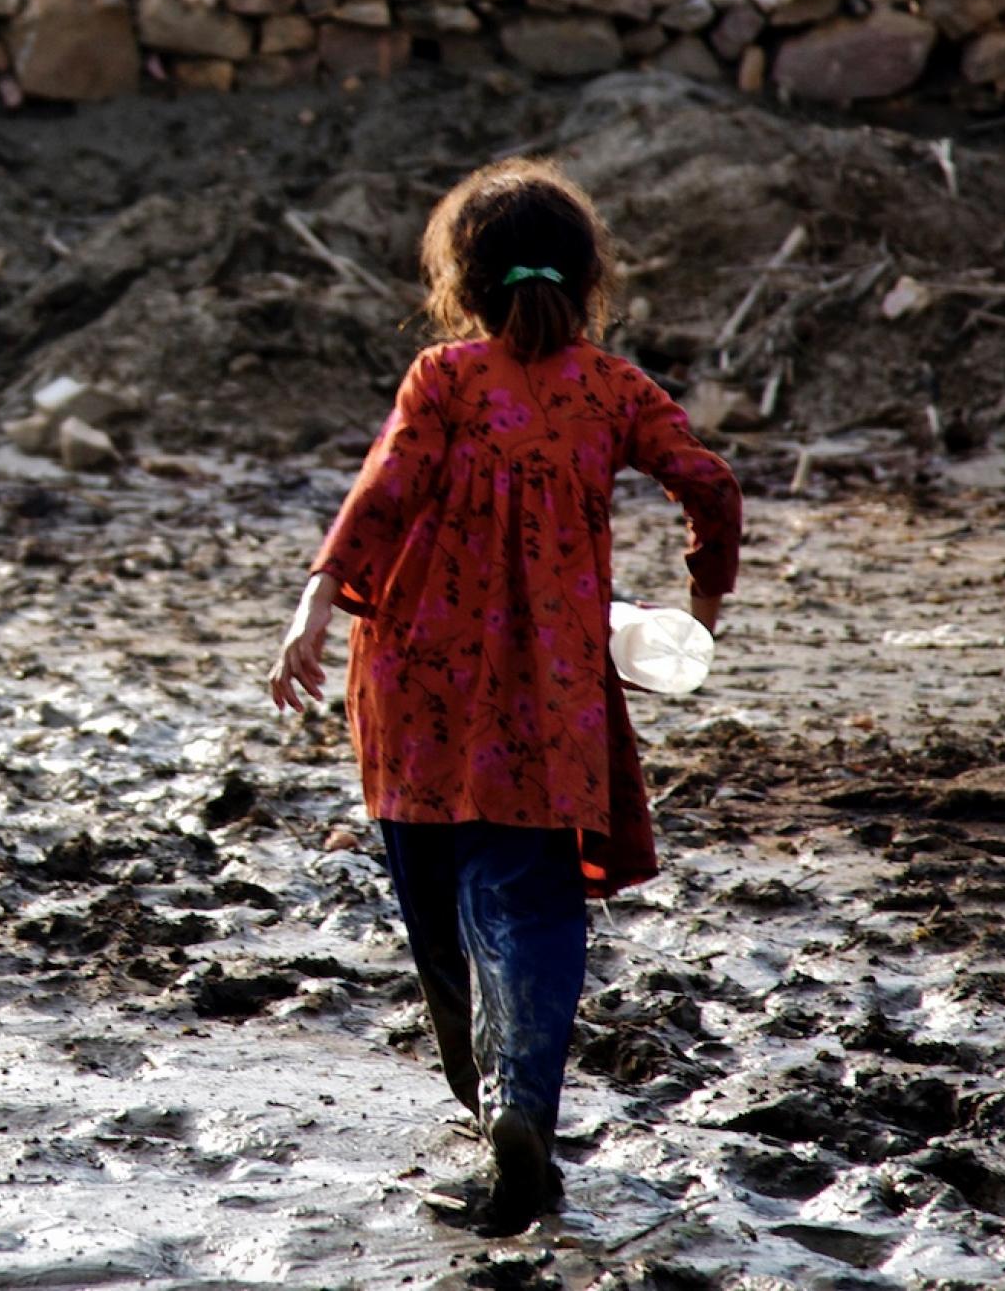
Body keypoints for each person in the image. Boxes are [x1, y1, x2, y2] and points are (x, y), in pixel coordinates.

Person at [271, 159, 740, 1237]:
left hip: (411, 686)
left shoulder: (440, 379)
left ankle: (483, 1109)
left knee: (435, 908)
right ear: (583, 279)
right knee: (527, 899)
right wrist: (701, 606)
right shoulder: (609, 388)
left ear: (462, 282)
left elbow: (379, 495)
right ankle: (519, 1106)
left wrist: (308, 610)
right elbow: (708, 482)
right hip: (549, 693)